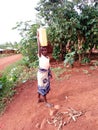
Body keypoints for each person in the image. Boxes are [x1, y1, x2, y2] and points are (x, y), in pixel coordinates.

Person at [37, 32, 53, 107]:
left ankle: (38, 98)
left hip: (45, 74)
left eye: (45, 50)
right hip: (41, 75)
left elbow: (48, 66)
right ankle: (46, 102)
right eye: (42, 50)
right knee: (42, 87)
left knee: (41, 86)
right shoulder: (40, 56)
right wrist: (38, 37)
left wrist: (50, 73)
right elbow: (38, 46)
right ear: (40, 52)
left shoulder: (47, 57)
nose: (44, 51)